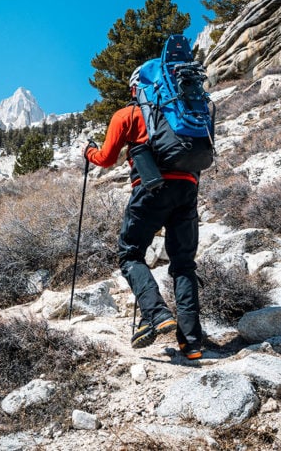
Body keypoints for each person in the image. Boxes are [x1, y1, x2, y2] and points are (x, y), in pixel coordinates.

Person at [82, 68, 203, 360]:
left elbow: (106, 159)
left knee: (130, 254)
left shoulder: (128, 114)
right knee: (184, 264)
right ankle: (192, 343)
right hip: (188, 188)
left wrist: (88, 153)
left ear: (137, 88)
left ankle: (156, 314)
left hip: (150, 189)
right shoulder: (187, 110)